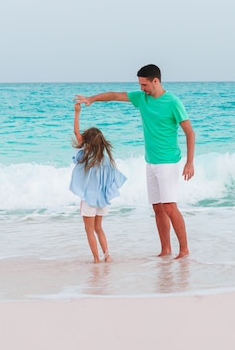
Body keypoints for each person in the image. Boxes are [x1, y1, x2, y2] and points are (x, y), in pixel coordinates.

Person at [74, 64, 195, 259]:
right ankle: (165, 249)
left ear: (155, 81)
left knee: (170, 207)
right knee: (157, 208)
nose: (141, 88)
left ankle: (184, 249)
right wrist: (92, 99)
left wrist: (190, 162)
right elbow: (114, 95)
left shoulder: (173, 102)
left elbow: (190, 133)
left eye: (144, 84)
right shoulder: (141, 99)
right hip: (151, 162)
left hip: (168, 162)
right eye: (140, 84)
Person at [70, 102, 127, 263]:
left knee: (89, 230)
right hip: (102, 201)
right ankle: (107, 256)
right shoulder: (106, 160)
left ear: (87, 142)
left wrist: (77, 112)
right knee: (98, 228)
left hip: (88, 200)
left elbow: (76, 133)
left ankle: (96, 259)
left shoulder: (84, 156)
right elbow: (112, 180)